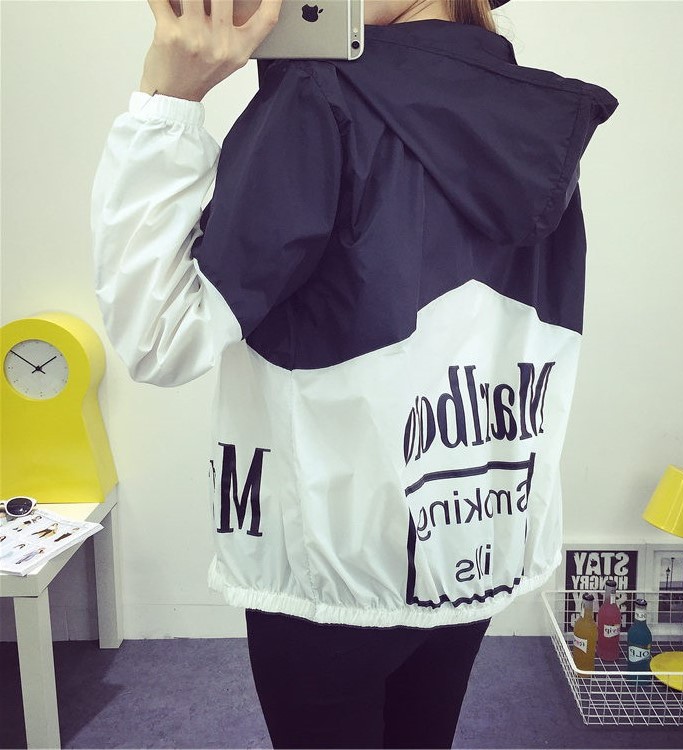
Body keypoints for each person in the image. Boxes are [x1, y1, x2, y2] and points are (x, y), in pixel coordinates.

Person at [91, 0, 618, 746]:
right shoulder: (529, 114)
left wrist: (167, 100)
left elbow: (160, 335)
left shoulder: (320, 96)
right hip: (471, 539)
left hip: (331, 565)